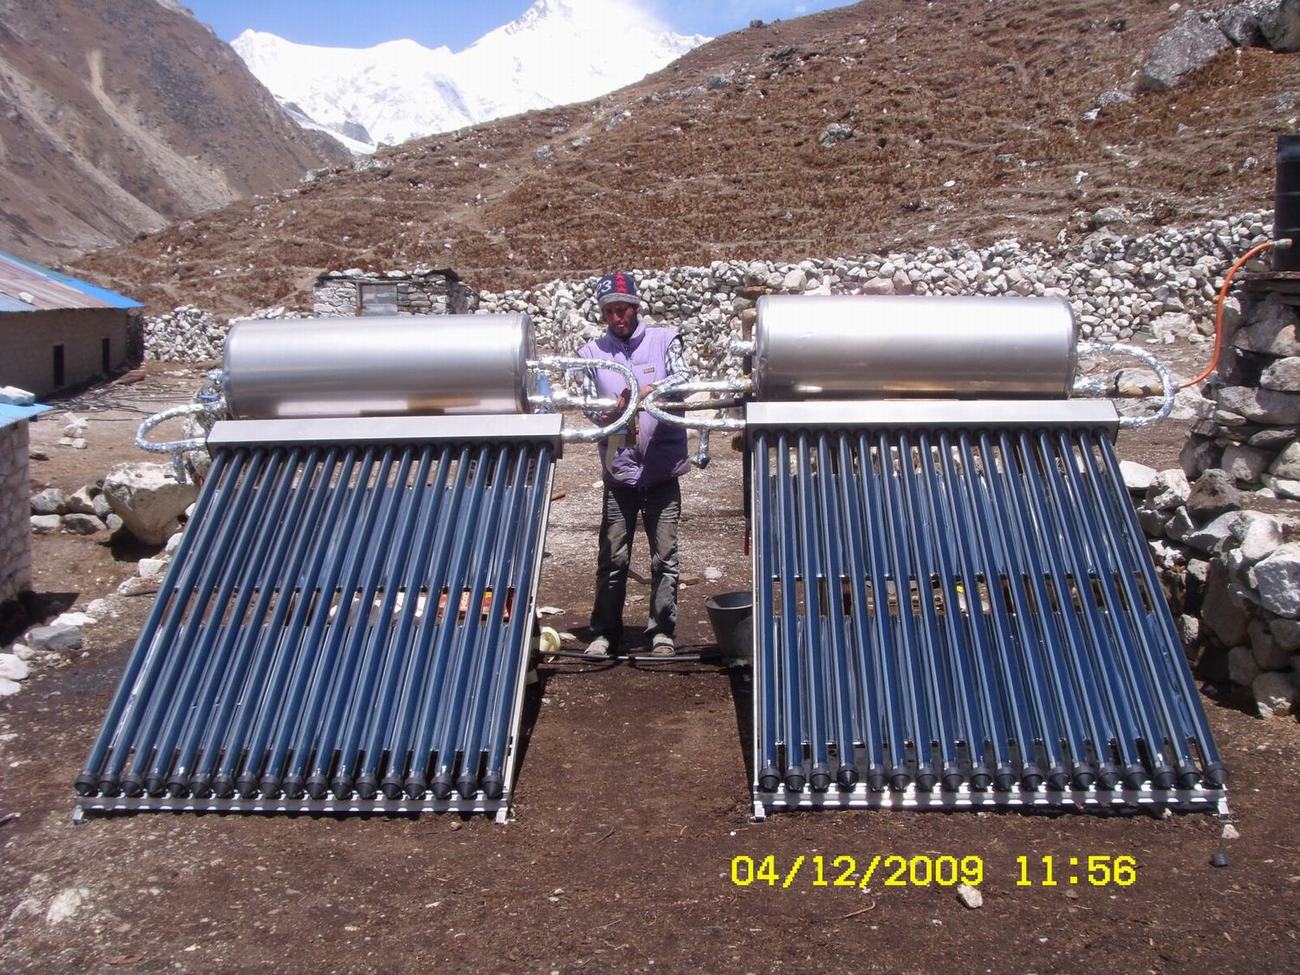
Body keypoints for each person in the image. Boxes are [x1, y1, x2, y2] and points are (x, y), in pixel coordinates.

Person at [577, 271, 690, 657]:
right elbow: (586, 402)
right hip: (619, 472)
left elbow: (686, 378)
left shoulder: (664, 341)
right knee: (613, 556)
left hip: (662, 469)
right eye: (608, 312)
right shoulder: (591, 354)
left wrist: (650, 391)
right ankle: (605, 632)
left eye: (621, 309)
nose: (615, 318)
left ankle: (661, 631)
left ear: (636, 307)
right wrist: (612, 413)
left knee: (665, 556)